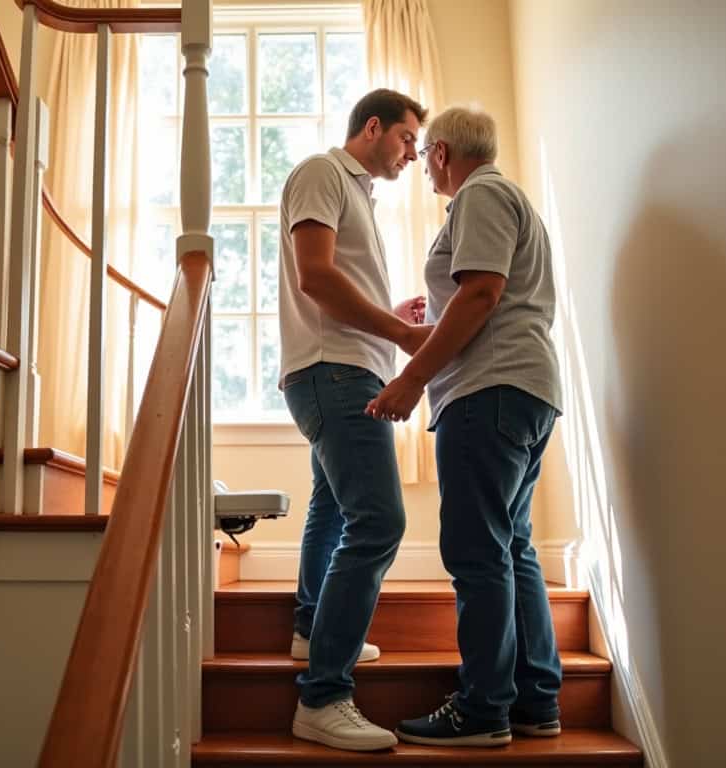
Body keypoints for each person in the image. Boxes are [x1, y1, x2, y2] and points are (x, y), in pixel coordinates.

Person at [365, 105, 565, 747]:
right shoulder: (507, 198)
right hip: (525, 391)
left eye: (425, 155)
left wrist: (412, 378)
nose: (422, 166)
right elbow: (481, 296)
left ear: (444, 152)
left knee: (478, 553)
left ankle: (483, 709)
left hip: (489, 395)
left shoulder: (479, 195)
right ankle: (535, 701)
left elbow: (481, 293)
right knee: (513, 548)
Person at [277, 88, 430, 752]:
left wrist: (390, 311)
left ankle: (314, 632)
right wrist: (399, 331)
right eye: (406, 140)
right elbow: (315, 277)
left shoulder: (356, 195)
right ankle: (324, 695)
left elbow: (337, 284)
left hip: (343, 365)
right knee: (379, 520)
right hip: (333, 370)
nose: (412, 155)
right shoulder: (322, 172)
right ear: (373, 127)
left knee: (334, 511)